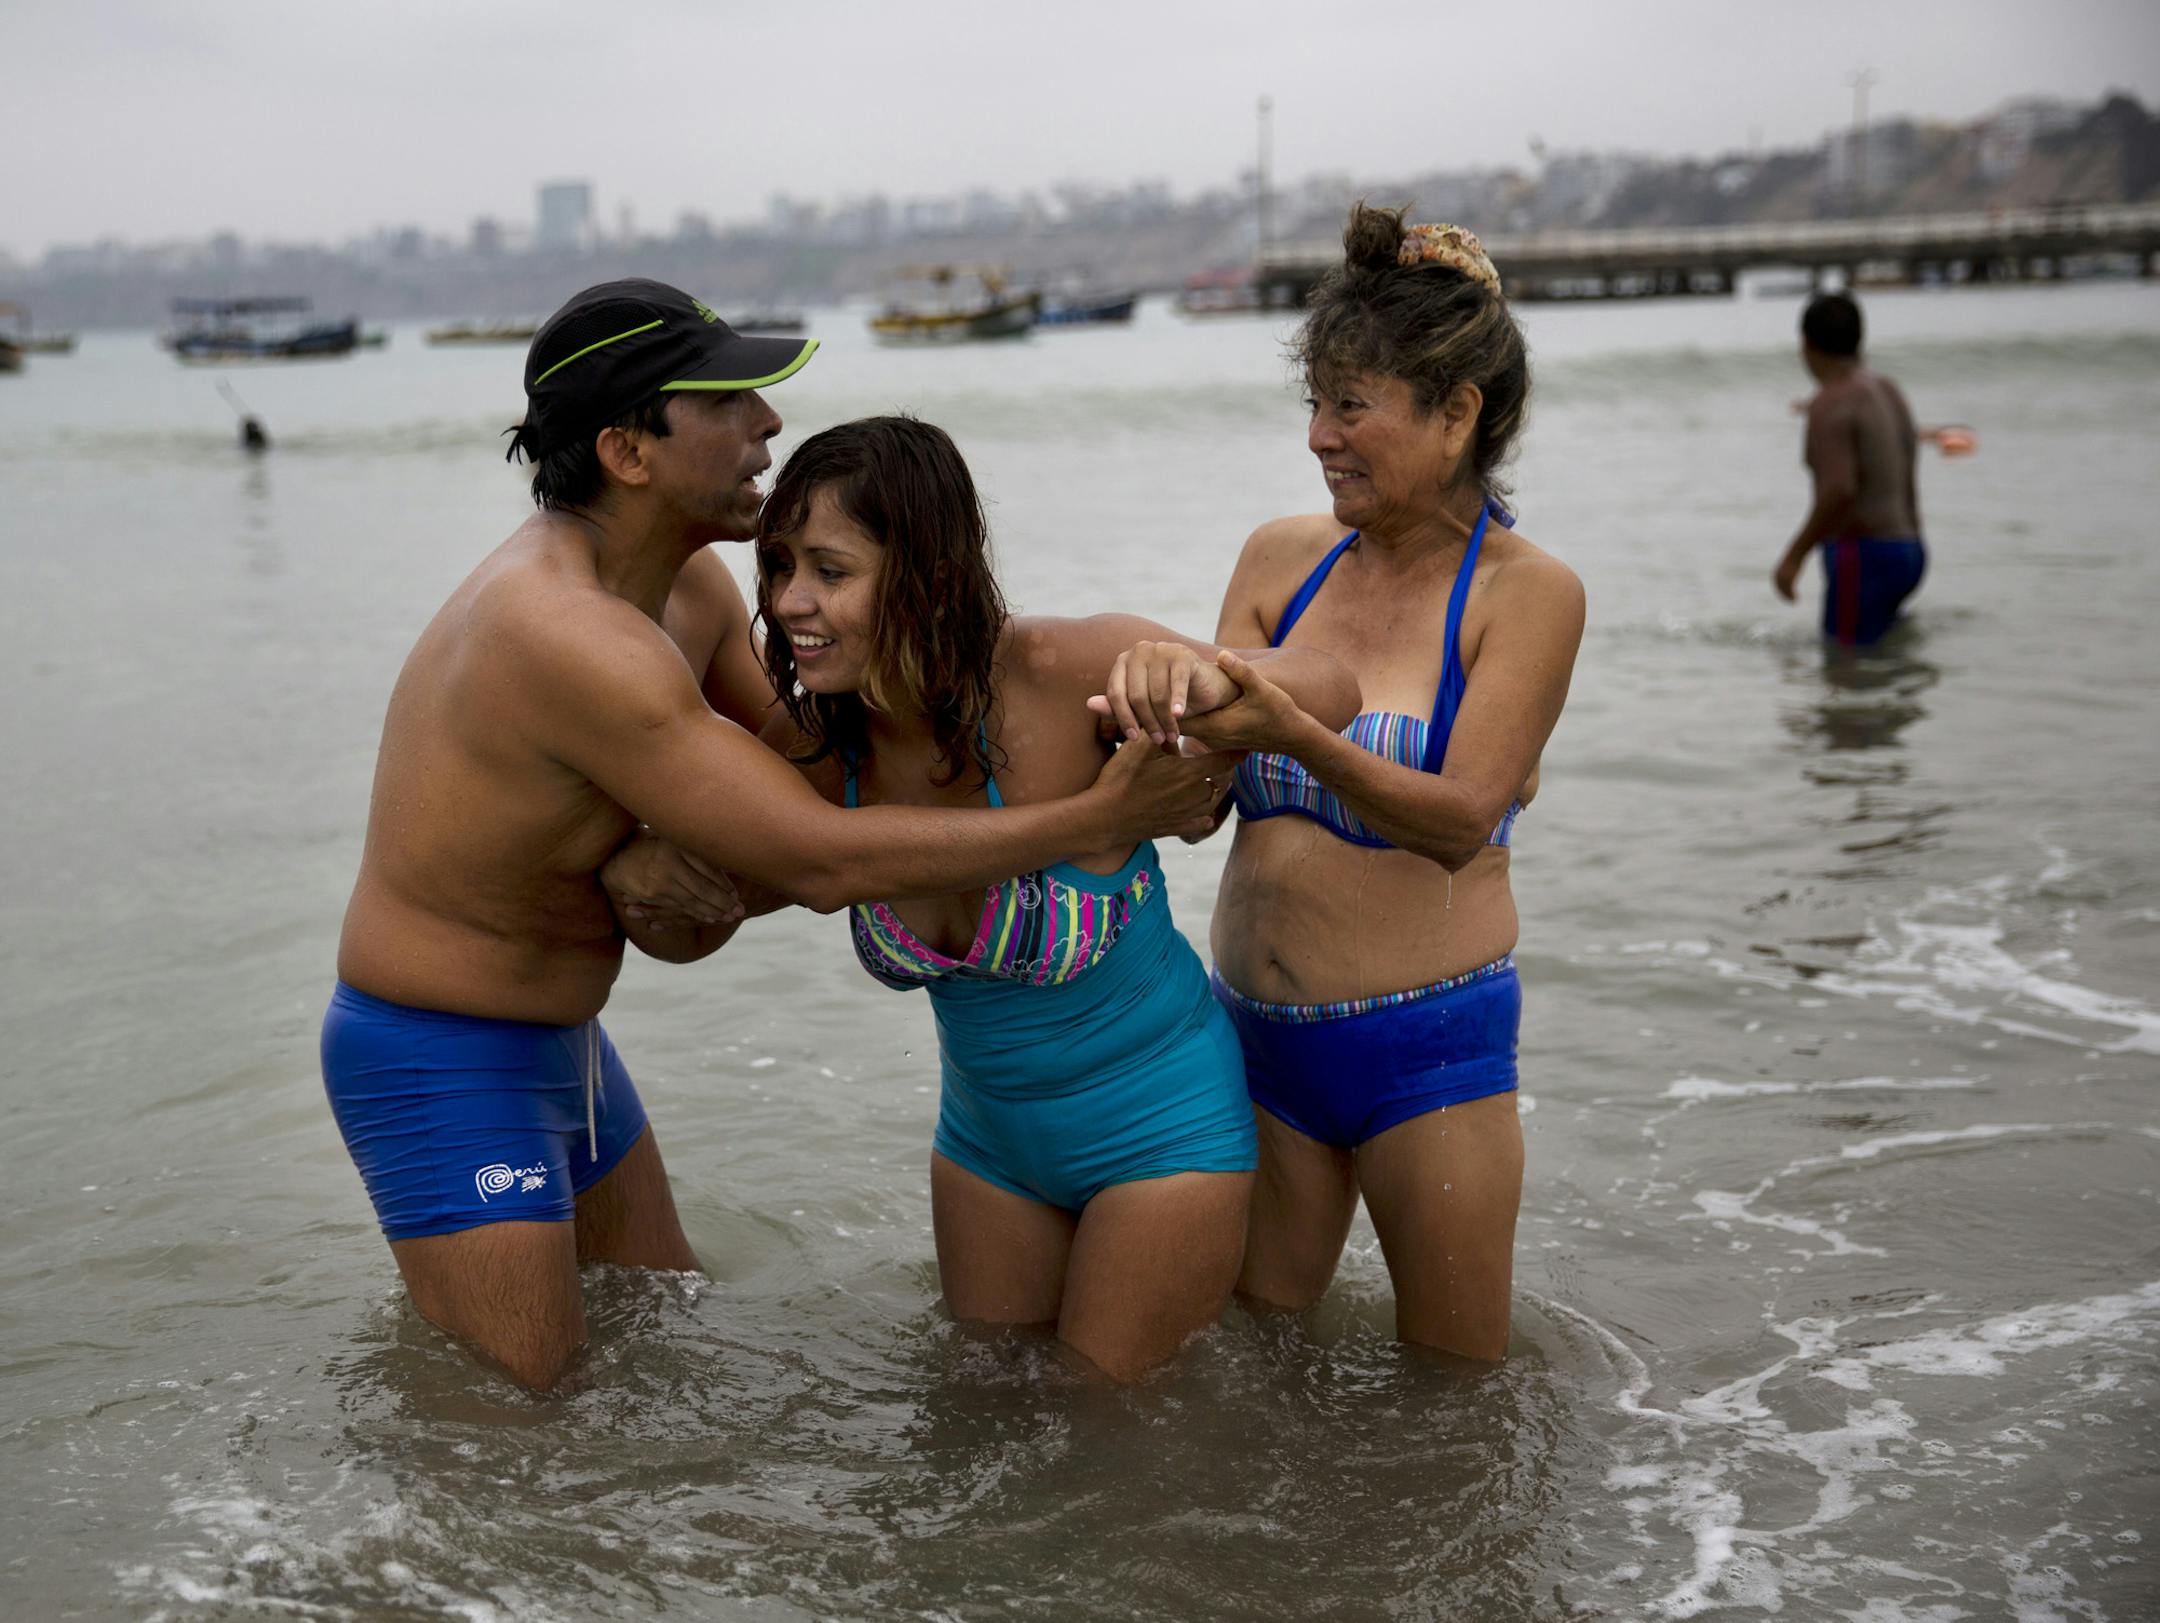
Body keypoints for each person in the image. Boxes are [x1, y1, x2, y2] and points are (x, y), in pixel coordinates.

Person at [321, 281, 1220, 1391]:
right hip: (440, 1053)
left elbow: (813, 765)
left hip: (567, 1046)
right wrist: (1098, 818)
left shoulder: (685, 585)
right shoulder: (563, 633)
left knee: (662, 1341)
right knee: (518, 1430)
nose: (769, 425)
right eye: (728, 398)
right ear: (627, 450)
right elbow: (821, 855)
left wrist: (1011, 706)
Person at [619, 414, 1358, 1381]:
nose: (791, 601)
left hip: (1163, 1134)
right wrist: (632, 877)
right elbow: (688, 932)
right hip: (985, 1149)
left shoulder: (1063, 675)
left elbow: (1335, 685)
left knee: (1104, 1438)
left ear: (925, 575)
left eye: (830, 571)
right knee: (988, 1429)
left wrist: (1208, 676)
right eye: (778, 566)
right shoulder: (813, 754)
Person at [1192, 210, 1584, 1360]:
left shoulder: (1527, 593)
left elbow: (1462, 821)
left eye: (1351, 405)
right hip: (1254, 1041)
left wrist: (1294, 732)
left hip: (1429, 1052)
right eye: (1314, 403)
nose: (1319, 436)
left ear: (1457, 413)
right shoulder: (1280, 558)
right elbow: (1199, 796)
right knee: (1252, 1373)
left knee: (1456, 1400)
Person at [1773, 292, 1927, 645]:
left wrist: (1792, 559)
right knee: (1883, 663)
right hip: (1910, 548)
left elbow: (1839, 489)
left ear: (1807, 345)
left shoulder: (1830, 403)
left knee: (1844, 670)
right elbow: (1908, 461)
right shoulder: (1887, 389)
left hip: (1865, 555)